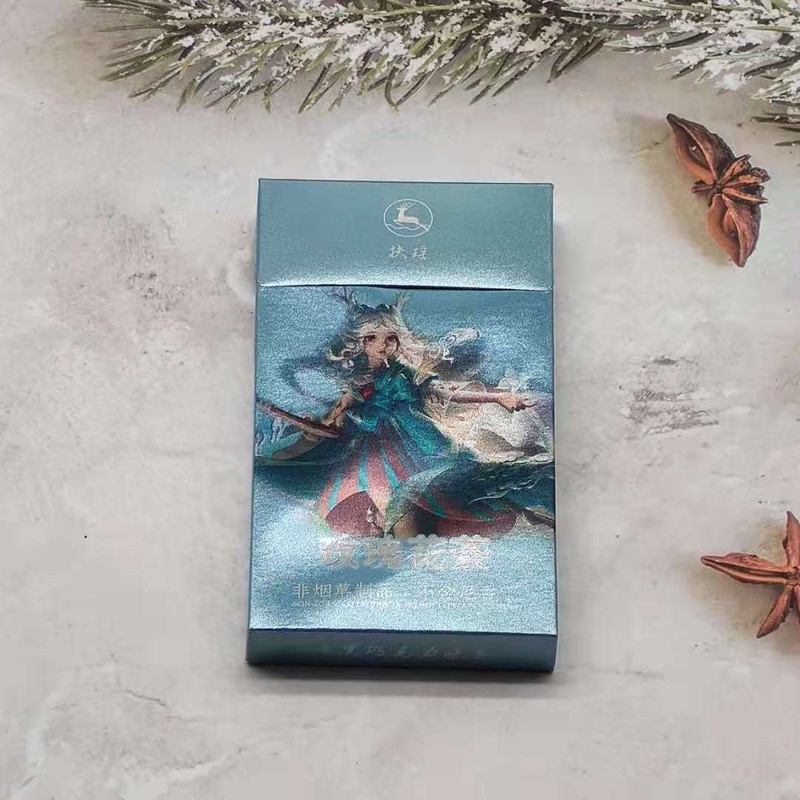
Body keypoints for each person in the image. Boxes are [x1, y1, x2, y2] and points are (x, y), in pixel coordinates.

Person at [258, 290, 554, 538]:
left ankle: (524, 513)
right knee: (369, 505)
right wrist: (308, 429)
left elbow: (443, 392)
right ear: (360, 343)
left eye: (390, 338)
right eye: (372, 338)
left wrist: (498, 397)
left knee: (432, 498)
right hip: (372, 451)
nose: (383, 345)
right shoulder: (356, 388)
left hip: (419, 444)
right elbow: (332, 424)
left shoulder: (402, 376)